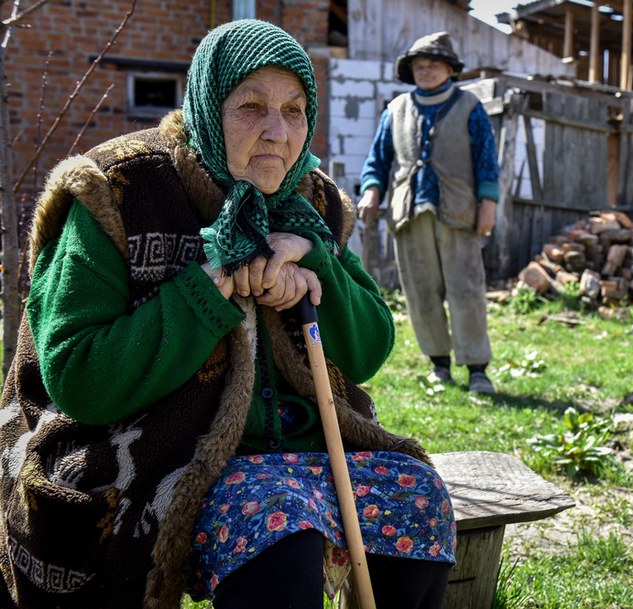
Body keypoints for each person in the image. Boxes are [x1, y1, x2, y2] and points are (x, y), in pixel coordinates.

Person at [0, 19, 455, 609]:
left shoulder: (312, 200)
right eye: (251, 107)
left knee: (417, 501)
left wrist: (317, 266)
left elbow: (368, 351)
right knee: (280, 539)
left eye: (295, 111)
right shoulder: (120, 190)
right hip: (171, 453)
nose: (277, 132)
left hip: (309, 449)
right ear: (207, 109)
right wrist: (208, 288)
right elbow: (78, 379)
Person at [358, 31, 500, 395]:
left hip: (458, 212)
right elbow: (378, 160)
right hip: (409, 212)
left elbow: (487, 161)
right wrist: (371, 190)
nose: (425, 71)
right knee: (421, 292)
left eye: (433, 65)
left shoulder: (470, 106)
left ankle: (477, 368)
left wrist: (489, 205)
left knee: (466, 289)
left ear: (450, 70)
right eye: (419, 66)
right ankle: (439, 364)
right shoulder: (396, 110)